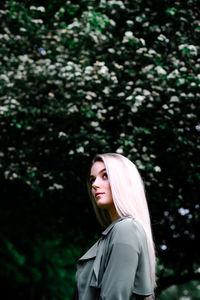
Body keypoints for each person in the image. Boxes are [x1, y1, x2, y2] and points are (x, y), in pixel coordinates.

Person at [75, 153, 156, 300]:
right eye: (93, 179)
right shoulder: (116, 232)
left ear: (124, 181)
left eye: (105, 175)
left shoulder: (126, 229)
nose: (94, 184)